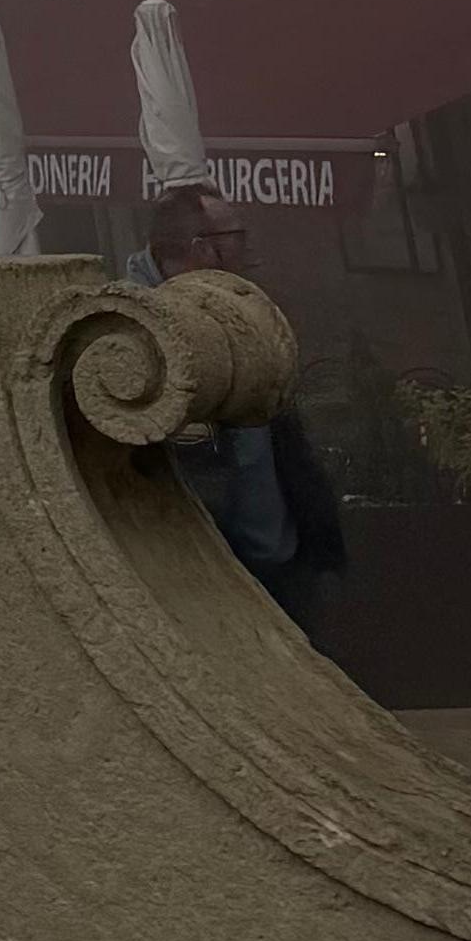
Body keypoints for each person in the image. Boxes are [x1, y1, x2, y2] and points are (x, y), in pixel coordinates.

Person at [145, 185, 349, 630]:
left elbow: (286, 443)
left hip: (284, 570)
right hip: (212, 583)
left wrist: (322, 550)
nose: (249, 249)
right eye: (237, 236)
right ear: (203, 248)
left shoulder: (241, 309)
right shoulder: (141, 334)